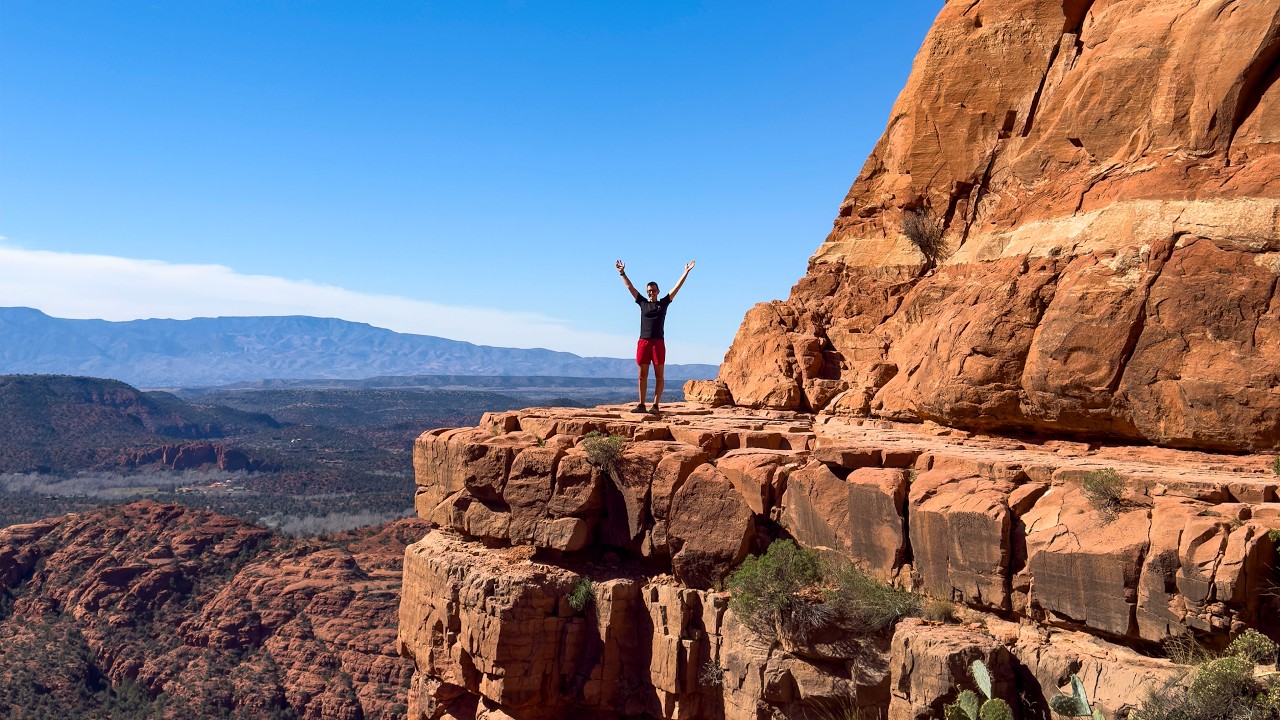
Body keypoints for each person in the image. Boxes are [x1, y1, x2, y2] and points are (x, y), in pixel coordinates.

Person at [616, 259, 695, 414]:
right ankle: (641, 404)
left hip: (658, 343)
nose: (651, 293)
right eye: (649, 291)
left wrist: (685, 272)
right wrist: (622, 273)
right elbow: (630, 287)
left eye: (653, 290)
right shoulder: (643, 303)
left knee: (659, 375)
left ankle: (656, 405)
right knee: (642, 375)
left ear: (658, 291)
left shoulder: (663, 303)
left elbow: (676, 288)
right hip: (643, 342)